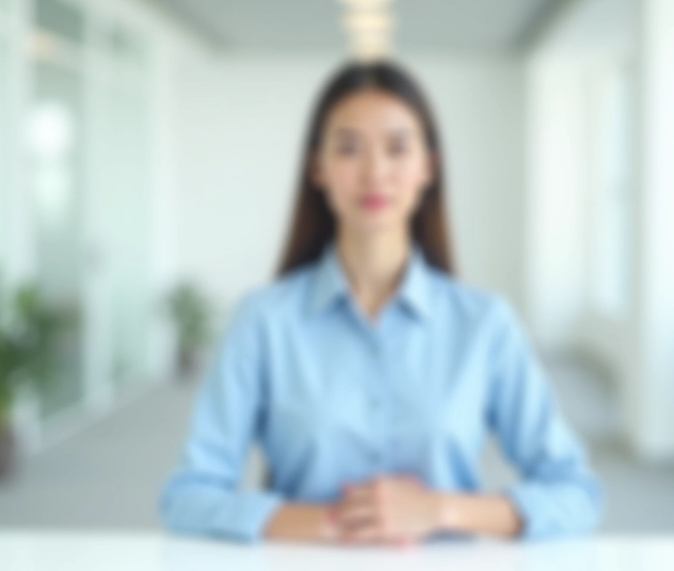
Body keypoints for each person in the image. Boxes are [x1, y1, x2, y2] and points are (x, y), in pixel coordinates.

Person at [159, 59, 603, 547]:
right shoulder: (262, 321)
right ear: (317, 167)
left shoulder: (484, 323)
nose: (374, 172)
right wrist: (332, 521)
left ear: (428, 167)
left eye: (397, 148)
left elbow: (576, 494)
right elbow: (188, 496)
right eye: (349, 148)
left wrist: (439, 510)